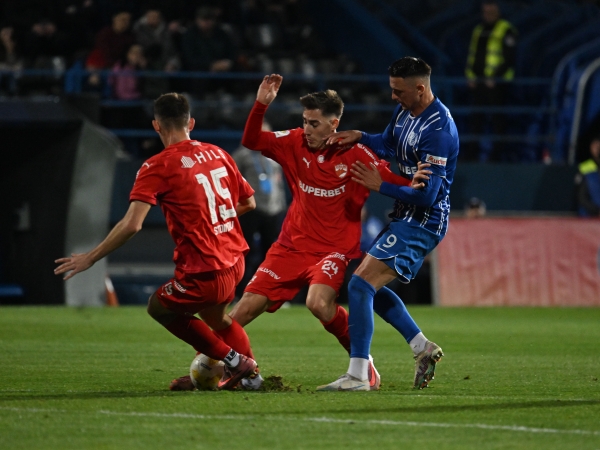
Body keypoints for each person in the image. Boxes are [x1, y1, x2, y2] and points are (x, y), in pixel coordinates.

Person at [169, 74, 430, 391]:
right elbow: (252, 140)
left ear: (334, 124)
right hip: (290, 247)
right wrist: (261, 105)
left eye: (314, 124)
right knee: (242, 310)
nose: (307, 129)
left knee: (318, 303)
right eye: (305, 121)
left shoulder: (357, 154)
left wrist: (417, 182)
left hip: (333, 250)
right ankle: (207, 370)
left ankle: (364, 368)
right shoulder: (293, 142)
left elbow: (399, 184)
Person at [54, 93, 259, 390]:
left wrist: (91, 257)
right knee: (217, 319)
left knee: (159, 307)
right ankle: (252, 379)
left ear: (156, 126)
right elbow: (249, 202)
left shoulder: (157, 166)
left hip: (205, 267)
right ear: (191, 123)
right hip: (234, 260)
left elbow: (132, 224)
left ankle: (235, 361)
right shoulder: (219, 153)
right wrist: (212, 221)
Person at [317, 56, 459, 391]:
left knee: (360, 285)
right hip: (405, 215)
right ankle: (422, 347)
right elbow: (388, 143)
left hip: (424, 220)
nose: (393, 96)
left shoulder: (439, 131)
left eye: (399, 91)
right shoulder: (405, 112)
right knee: (370, 286)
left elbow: (428, 196)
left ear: (420, 88)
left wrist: (380, 185)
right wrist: (360, 136)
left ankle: (358, 375)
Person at [232, 121, 287, 300]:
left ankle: (265, 293)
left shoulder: (275, 156)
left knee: (271, 255)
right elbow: (231, 183)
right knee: (244, 253)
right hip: (251, 210)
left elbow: (279, 184)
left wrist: (282, 206)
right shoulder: (241, 155)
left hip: (274, 210)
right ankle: (238, 292)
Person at [464, 0, 517, 162]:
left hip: (497, 85)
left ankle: (497, 156)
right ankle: (472, 155)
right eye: (485, 11)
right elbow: (473, 55)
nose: (488, 14)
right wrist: (470, 76)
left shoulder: (506, 29)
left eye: (491, 11)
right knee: (476, 120)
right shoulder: (479, 30)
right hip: (479, 83)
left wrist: (495, 77)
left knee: (498, 120)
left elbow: (509, 58)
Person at [575, 134, 600, 217]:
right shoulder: (585, 167)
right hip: (588, 216)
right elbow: (581, 196)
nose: (597, 149)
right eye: (594, 145)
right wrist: (597, 211)